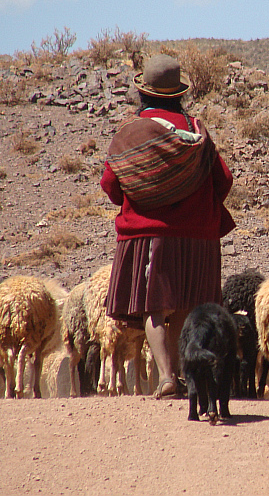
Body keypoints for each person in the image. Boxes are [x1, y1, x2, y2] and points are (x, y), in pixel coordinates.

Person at [101, 54, 235, 399]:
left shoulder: (130, 134)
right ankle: (188, 374)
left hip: (148, 235)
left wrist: (148, 191)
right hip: (197, 236)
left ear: (143, 93)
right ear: (179, 93)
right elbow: (224, 180)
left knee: (155, 306)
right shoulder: (195, 131)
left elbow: (111, 186)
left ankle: (166, 377)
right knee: (188, 303)